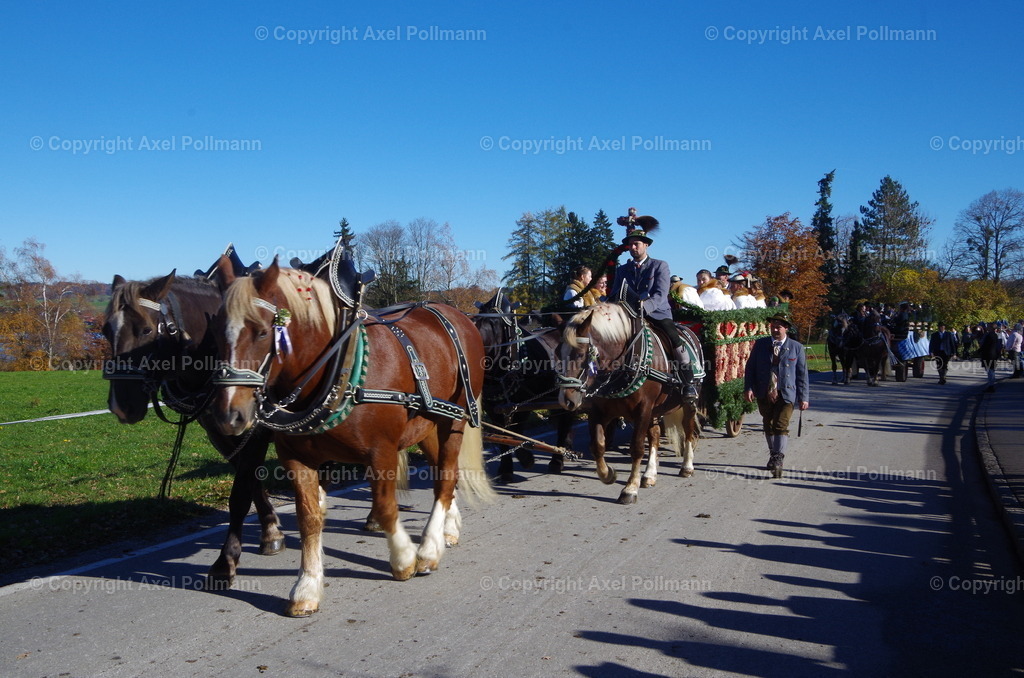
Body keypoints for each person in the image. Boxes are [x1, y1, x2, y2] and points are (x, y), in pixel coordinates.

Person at [610, 226, 699, 401]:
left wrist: (644, 308)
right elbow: (614, 294)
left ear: (646, 246)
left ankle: (688, 382)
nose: (633, 248)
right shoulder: (622, 270)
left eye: (636, 244)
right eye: (630, 245)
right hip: (628, 316)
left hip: (657, 314)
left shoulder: (659, 266)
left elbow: (660, 294)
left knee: (674, 337)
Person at [744, 311, 809, 477]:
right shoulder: (761, 344)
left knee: (781, 424)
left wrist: (804, 398)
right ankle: (774, 454)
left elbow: (802, 375)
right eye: (772, 326)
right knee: (768, 423)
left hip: (787, 393)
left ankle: (778, 458)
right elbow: (750, 368)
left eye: (778, 327)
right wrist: (749, 388)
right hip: (764, 392)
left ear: (786, 328)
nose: (775, 330)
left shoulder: (796, 347)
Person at [979, 322, 1001, 392]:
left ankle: (991, 386)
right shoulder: (995, 335)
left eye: (988, 326)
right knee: (992, 370)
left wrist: (979, 350)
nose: (987, 327)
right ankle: (991, 384)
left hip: (988, 355)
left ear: (991, 328)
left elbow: (985, 345)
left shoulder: (989, 335)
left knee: (989, 371)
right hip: (993, 355)